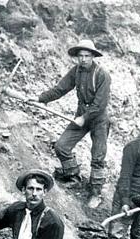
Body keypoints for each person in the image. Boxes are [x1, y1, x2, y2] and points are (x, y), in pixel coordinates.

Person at [29, 39, 111, 209]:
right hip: (81, 116)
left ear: (93, 56)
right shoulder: (76, 71)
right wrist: (41, 98)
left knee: (98, 157)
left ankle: (96, 193)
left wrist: (85, 117)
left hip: (99, 119)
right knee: (61, 146)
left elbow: (100, 104)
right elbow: (60, 89)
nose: (83, 59)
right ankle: (73, 175)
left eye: (87, 56)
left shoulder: (102, 75)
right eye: (80, 56)